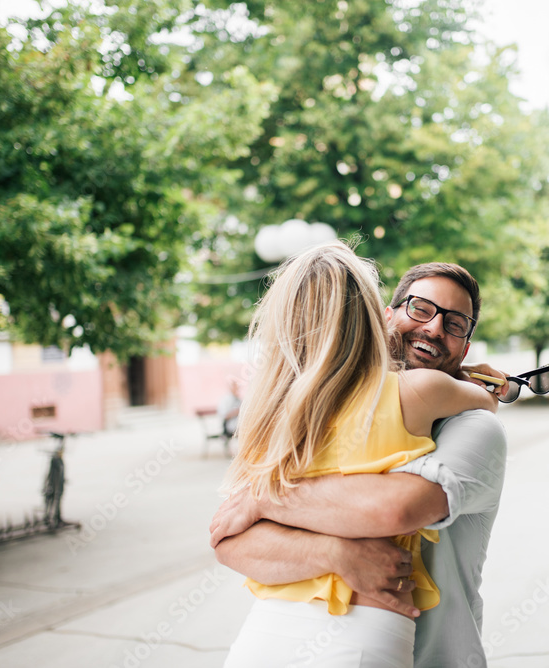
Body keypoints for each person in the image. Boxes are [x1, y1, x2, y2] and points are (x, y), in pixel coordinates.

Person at [212, 261, 509, 668]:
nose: (435, 329)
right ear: (383, 317)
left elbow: (395, 508)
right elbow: (230, 541)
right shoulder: (315, 407)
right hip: (305, 633)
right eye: (421, 309)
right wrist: (334, 553)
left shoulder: (476, 428)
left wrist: (264, 498)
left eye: (455, 324)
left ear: (465, 348)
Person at [216, 377, 242, 455]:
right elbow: (224, 415)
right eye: (235, 386)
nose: (237, 388)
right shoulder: (226, 399)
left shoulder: (238, 399)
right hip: (230, 425)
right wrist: (236, 412)